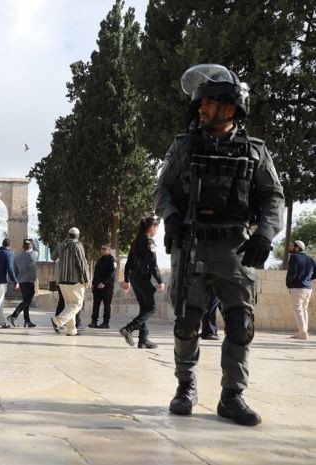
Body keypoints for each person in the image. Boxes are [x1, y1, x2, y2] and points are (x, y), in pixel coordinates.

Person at [157, 64, 284, 426]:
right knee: (186, 323)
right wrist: (170, 216)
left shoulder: (255, 152)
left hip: (235, 248)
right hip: (193, 244)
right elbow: (162, 188)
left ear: (230, 108)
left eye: (208, 102)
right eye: (200, 101)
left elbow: (274, 197)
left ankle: (232, 396)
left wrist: (264, 234)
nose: (200, 107)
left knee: (241, 324)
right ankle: (186, 387)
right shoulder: (184, 146)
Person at [120, 216, 165, 349]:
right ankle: (128, 328)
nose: (157, 230)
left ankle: (143, 340)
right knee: (152, 307)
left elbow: (128, 262)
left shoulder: (134, 241)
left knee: (144, 308)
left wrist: (127, 279)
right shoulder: (149, 242)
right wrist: (160, 281)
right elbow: (153, 265)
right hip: (143, 277)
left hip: (134, 277)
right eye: (156, 227)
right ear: (152, 227)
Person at [50, 227, 90, 335]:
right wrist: (87, 279)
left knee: (69, 305)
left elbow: (52, 257)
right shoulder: (78, 245)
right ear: (78, 236)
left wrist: (61, 244)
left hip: (62, 280)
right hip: (74, 280)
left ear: (68, 235)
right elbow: (82, 263)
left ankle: (71, 330)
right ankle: (58, 321)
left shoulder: (61, 245)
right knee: (77, 304)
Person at [285, 240, 315, 340]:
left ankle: (302, 333)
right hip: (308, 288)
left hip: (298, 287)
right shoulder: (310, 259)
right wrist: (308, 279)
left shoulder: (294, 257)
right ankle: (304, 332)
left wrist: (289, 284)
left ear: (297, 248)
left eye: (293, 246)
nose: (292, 248)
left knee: (297, 309)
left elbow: (292, 273)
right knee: (304, 310)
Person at [8, 239, 39, 327]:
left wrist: (16, 281)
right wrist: (33, 243)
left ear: (23, 247)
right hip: (30, 281)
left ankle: (27, 320)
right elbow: (37, 250)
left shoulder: (17, 257)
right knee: (27, 300)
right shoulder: (33, 255)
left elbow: (15, 270)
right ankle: (14, 315)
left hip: (21, 281)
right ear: (31, 246)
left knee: (26, 301)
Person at [0, 238, 18, 329]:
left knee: (0, 302)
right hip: (1, 281)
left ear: (2, 243)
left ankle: (2, 322)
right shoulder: (9, 254)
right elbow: (10, 269)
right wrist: (15, 281)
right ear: (10, 245)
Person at [88, 244, 117, 329]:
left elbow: (112, 274)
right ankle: (94, 322)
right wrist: (93, 284)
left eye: (105, 249)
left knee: (107, 305)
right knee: (96, 304)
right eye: (101, 249)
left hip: (107, 287)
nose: (102, 250)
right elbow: (95, 273)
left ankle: (105, 323)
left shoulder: (112, 260)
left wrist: (104, 282)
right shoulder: (99, 260)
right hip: (97, 286)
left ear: (109, 250)